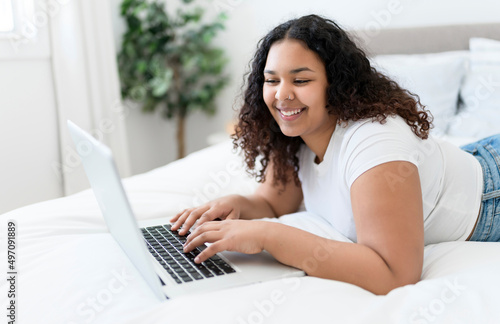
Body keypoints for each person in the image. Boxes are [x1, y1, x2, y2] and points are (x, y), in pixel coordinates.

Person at [170, 14, 500, 295]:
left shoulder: (374, 140)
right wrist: (237, 206)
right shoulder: (295, 133)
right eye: (271, 80)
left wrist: (268, 235)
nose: (282, 95)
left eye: (300, 80)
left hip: (491, 193)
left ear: (337, 84)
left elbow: (395, 274)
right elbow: (273, 204)